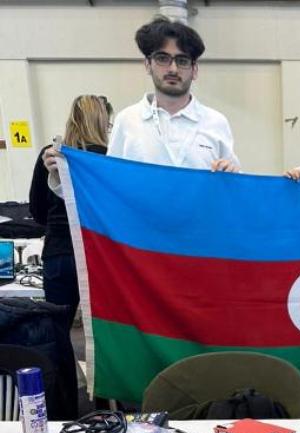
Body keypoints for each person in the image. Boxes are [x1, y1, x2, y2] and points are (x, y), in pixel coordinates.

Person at [44, 17, 238, 175]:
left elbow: (234, 192)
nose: (173, 68)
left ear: (194, 70)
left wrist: (232, 173)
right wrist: (63, 174)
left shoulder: (215, 122)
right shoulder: (127, 121)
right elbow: (109, 184)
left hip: (200, 215)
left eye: (182, 60)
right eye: (162, 58)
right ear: (147, 64)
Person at [29, 95, 111, 330]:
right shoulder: (110, 157)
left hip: (59, 252)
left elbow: (37, 211)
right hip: (99, 253)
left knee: (57, 329)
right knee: (105, 330)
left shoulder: (51, 156)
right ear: (102, 122)